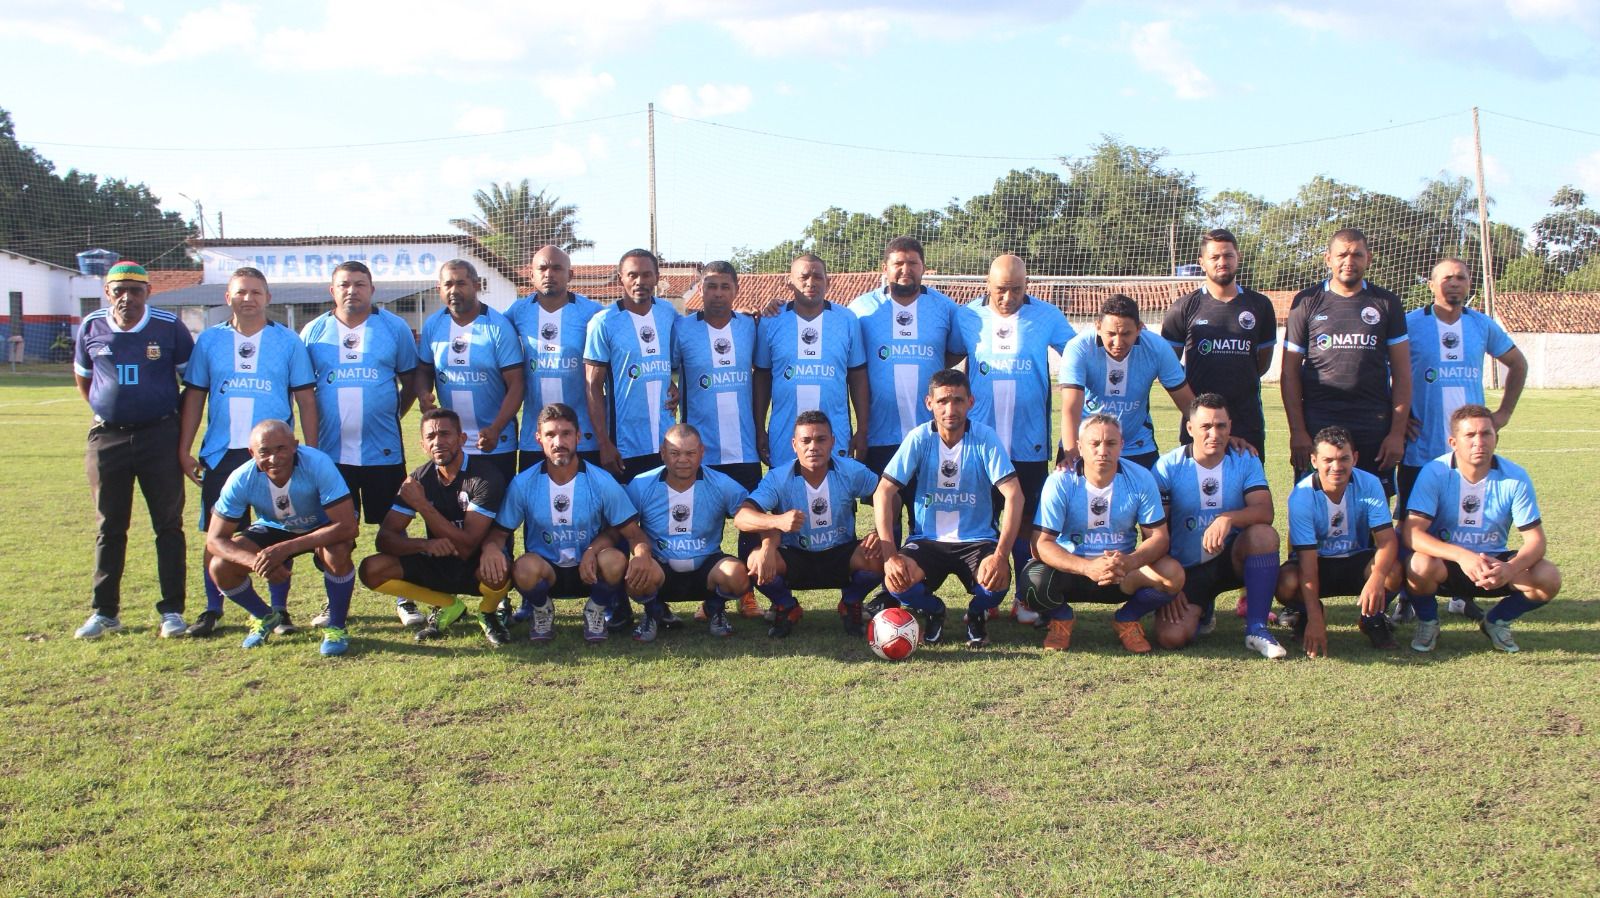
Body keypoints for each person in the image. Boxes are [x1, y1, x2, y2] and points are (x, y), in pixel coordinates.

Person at [178, 267, 318, 638]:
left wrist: (312, 451)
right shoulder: (209, 340)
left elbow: (306, 399)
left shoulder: (288, 342)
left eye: (256, 292)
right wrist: (184, 449)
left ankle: (279, 610)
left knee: (277, 531)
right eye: (241, 292)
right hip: (222, 453)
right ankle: (213, 609)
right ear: (228, 298)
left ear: (268, 298)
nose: (248, 298)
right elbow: (195, 396)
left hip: (274, 456)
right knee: (219, 533)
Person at [1396, 257, 1528, 622]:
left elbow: (1518, 364)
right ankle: (1408, 596)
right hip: (1421, 449)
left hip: (1471, 452)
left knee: (1467, 523)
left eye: (1461, 277)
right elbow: (1381, 371)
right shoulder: (1409, 323)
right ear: (1431, 284)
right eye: (1446, 278)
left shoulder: (1481, 324)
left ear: (1470, 283)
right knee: (1411, 525)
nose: (1454, 283)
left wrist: (1503, 414)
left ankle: (1462, 594)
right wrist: (1397, 416)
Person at [72, 260, 195, 639]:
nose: (127, 297)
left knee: (168, 525)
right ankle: (104, 612)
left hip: (159, 436)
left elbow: (191, 385)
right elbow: (84, 379)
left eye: (135, 290)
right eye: (119, 290)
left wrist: (174, 430)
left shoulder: (169, 326)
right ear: (107, 292)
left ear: (148, 292)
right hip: (108, 438)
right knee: (109, 525)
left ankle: (172, 611)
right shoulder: (91, 325)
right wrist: (109, 409)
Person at [299, 260, 421, 627]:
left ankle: (405, 599)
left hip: (383, 452)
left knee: (393, 529)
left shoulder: (394, 328)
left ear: (372, 289)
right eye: (344, 284)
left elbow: (411, 382)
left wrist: (390, 414)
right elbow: (304, 392)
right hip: (332, 457)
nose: (352, 290)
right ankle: (334, 602)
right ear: (332, 291)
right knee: (335, 536)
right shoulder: (313, 332)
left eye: (360, 284)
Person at [958, 253, 1075, 623]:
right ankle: (986, 595)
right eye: (1000, 290)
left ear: (1028, 286)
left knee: (1025, 521)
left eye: (1016, 290)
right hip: (980, 443)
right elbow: (942, 355)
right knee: (981, 521)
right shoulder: (966, 316)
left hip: (1029, 440)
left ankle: (1025, 598)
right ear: (986, 285)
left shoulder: (1048, 316)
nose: (1008, 298)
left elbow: (1079, 356)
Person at [874, 368, 1023, 648]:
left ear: (970, 402)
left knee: (997, 579)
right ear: (929, 403)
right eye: (942, 401)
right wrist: (890, 555)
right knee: (896, 581)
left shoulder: (985, 438)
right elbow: (883, 491)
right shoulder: (919, 438)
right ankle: (934, 610)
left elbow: (1014, 494)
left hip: (977, 540)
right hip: (927, 540)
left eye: (957, 400)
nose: (950, 409)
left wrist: (1001, 555)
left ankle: (976, 613)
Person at [479, 403, 653, 643]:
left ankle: (596, 609)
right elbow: (498, 535)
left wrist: (641, 555)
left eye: (566, 434)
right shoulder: (523, 483)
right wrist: (490, 548)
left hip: (589, 572)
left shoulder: (601, 481)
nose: (558, 442)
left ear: (578, 437)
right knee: (522, 567)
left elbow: (632, 534)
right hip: (547, 572)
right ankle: (542, 609)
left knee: (615, 560)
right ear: (538, 439)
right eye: (550, 434)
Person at [1403, 404, 1561, 654]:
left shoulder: (1515, 477)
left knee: (1548, 576)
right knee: (1418, 564)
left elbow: (1536, 542)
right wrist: (1462, 556)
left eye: (1486, 433)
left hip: (1494, 564)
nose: (1479, 442)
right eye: (1470, 435)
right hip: (1448, 564)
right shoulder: (1435, 472)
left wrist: (1510, 568)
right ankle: (1428, 622)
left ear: (1496, 438)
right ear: (1453, 442)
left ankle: (1496, 621)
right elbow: (1412, 533)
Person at [1020, 414, 1183, 654]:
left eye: (1111, 443)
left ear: (1122, 445)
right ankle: (1061, 619)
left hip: (1121, 573)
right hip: (1072, 572)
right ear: (1080, 447)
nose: (1103, 451)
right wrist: (1087, 567)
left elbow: (1159, 538)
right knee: (1032, 580)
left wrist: (1128, 562)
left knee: (1172, 574)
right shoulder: (1060, 481)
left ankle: (1127, 619)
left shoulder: (1140, 478)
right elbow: (1041, 544)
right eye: (1094, 444)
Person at [355, 409, 513, 646]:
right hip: (440, 561)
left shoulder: (485, 476)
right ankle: (448, 605)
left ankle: (488, 612)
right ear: (422, 445)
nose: (437, 442)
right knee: (371, 569)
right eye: (430, 437)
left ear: (462, 438)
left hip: (479, 561)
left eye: (445, 434)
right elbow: (384, 539)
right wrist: (424, 545)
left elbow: (467, 546)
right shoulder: (418, 479)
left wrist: (422, 506)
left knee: (499, 568)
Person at [204, 420, 358, 655]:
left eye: (281, 449)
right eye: (264, 452)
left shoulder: (317, 463)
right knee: (220, 566)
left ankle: (336, 627)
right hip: (273, 527)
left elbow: (347, 527)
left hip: (321, 525)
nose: (274, 459)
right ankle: (265, 617)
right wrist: (256, 562)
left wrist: (285, 549)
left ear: (295, 445)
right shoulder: (241, 478)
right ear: (251, 453)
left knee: (337, 552)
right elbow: (215, 540)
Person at [851, 236, 969, 541]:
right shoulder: (861, 309)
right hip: (880, 434)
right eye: (898, 263)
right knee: (887, 514)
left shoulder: (945, 308)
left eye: (913, 263)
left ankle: (920, 570)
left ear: (924, 267)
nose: (906, 269)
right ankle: (890, 572)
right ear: (885, 268)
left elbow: (953, 353)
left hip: (931, 434)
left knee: (927, 516)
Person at [1149, 395, 1285, 659]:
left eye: (1221, 426)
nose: (1214, 433)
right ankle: (1203, 608)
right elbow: (1155, 532)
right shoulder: (1167, 466)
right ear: (1190, 428)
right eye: (1206, 426)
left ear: (1230, 426)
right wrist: (1169, 582)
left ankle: (1256, 629)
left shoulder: (1245, 459)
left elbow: (1264, 511)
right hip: (1187, 570)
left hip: (1230, 561)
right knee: (1170, 637)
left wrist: (1227, 518)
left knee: (1263, 535)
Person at [734, 411, 885, 638]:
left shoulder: (851, 471)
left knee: (881, 554)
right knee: (756, 561)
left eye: (820, 439)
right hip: (796, 555)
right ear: (794, 445)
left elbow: (889, 496)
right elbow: (742, 517)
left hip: (841, 553)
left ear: (832, 441)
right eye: (806, 441)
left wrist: (879, 531)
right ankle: (786, 605)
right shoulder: (778, 478)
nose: (813, 447)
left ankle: (851, 602)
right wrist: (778, 521)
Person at [1281, 228, 1410, 488]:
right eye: (1342, 255)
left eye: (1357, 255)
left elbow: (1403, 372)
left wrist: (1397, 433)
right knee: (1315, 500)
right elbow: (1289, 372)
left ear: (1368, 259)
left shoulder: (1387, 303)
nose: (1349, 261)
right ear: (1328, 258)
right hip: (1319, 421)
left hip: (1373, 423)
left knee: (1373, 503)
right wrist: (1298, 431)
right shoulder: (1306, 302)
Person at [1276, 426, 1402, 657]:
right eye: (1328, 460)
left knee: (1392, 570)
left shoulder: (1370, 484)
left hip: (1356, 560)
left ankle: (1372, 619)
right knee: (1286, 582)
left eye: (1344, 458)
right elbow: (1307, 565)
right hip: (1318, 564)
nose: (1337, 466)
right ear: (1314, 461)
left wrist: (1377, 577)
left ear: (1355, 458)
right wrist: (1315, 618)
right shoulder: (1301, 496)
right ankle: (1308, 614)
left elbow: (1387, 541)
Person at [623, 424, 751, 642]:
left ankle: (715, 608)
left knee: (738, 574)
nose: (682, 460)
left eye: (690, 453)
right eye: (675, 453)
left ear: (702, 452)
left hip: (706, 568)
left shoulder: (721, 484)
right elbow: (624, 526)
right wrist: (640, 554)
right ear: (663, 453)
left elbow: (751, 512)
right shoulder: (642, 484)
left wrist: (766, 543)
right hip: (660, 568)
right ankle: (653, 612)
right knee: (634, 574)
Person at [1160, 228, 1278, 456]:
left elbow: (1262, 365)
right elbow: (1168, 367)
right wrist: (1197, 410)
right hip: (1200, 422)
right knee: (1197, 479)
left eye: (1228, 255)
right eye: (1214, 257)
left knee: (1247, 478)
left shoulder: (1260, 305)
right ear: (1202, 262)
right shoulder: (1183, 307)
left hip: (1247, 420)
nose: (1222, 262)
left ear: (1238, 257)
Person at [752, 253, 870, 468]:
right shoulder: (771, 321)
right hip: (784, 434)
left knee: (835, 485)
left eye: (817, 277)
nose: (811, 282)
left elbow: (858, 376)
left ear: (828, 282)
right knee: (786, 486)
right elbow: (761, 377)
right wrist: (759, 429)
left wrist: (862, 430)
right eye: (804, 277)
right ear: (789, 282)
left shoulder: (846, 319)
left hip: (836, 431)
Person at [415, 259, 524, 487]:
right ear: (439, 289)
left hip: (495, 443)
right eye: (448, 284)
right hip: (450, 444)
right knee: (452, 506)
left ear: (476, 285)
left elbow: (517, 384)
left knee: (495, 507)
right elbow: (424, 370)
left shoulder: (498, 326)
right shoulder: (434, 325)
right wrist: (424, 394)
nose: (454, 290)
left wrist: (496, 428)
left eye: (461, 283)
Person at [1059, 294, 1194, 472]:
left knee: (1152, 488)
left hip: (1136, 444)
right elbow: (1071, 408)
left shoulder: (1157, 348)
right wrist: (1072, 453)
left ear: (1139, 328)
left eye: (1126, 334)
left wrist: (1214, 432)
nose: (1118, 342)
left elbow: (1187, 404)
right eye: (1111, 334)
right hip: (1089, 443)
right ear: (1098, 327)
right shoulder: (1079, 348)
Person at [505, 245, 605, 473]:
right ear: (531, 275)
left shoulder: (592, 312)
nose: (549, 274)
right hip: (535, 437)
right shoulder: (518, 312)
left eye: (557, 268)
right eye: (542, 268)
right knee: (535, 493)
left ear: (570, 275)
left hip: (583, 434)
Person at [584, 249, 678, 484]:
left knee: (665, 505)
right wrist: (604, 443)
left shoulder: (668, 312)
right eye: (632, 275)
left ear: (657, 278)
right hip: (624, 444)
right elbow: (592, 386)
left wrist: (672, 384)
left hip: (667, 441)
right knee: (627, 507)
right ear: (620, 279)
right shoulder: (603, 322)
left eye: (646, 275)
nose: (640, 281)